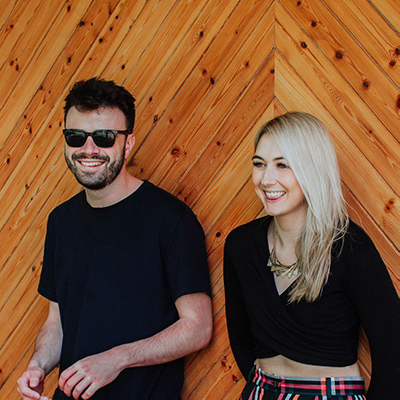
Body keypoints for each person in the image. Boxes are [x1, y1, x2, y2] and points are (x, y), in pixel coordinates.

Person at [17, 77, 213, 400]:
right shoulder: (61, 221)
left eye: (104, 138)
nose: (89, 149)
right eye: (76, 137)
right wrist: (38, 366)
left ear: (128, 143)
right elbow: (58, 322)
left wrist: (117, 359)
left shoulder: (171, 220)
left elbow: (198, 328)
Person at [223, 111, 400, 399]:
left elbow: (394, 355)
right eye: (259, 164)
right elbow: (241, 340)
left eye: (283, 165)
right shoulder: (240, 245)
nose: (266, 178)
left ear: (312, 169)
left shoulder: (349, 248)